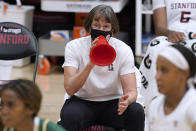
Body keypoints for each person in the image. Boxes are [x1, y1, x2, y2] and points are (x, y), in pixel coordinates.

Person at [57, 4, 145, 131]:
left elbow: (131, 91)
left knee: (136, 111)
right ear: (89, 27)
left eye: (106, 26)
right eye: (96, 26)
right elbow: (70, 89)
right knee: (69, 115)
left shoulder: (123, 49)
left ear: (112, 30)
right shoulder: (73, 46)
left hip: (113, 103)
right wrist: (91, 63)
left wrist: (127, 100)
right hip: (82, 102)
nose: (101, 29)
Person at [139, 0, 196, 110]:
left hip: (194, 37)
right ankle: (149, 105)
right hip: (171, 35)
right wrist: (169, 33)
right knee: (156, 46)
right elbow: (159, 27)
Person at [146, 44, 196, 131]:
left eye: (164, 70)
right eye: (157, 69)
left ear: (184, 73)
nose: (157, 77)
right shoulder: (154, 105)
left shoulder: (193, 105)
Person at [0, 79, 66, 131]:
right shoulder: (6, 127)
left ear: (30, 108)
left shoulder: (50, 128)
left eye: (11, 105)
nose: (3, 111)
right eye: (2, 104)